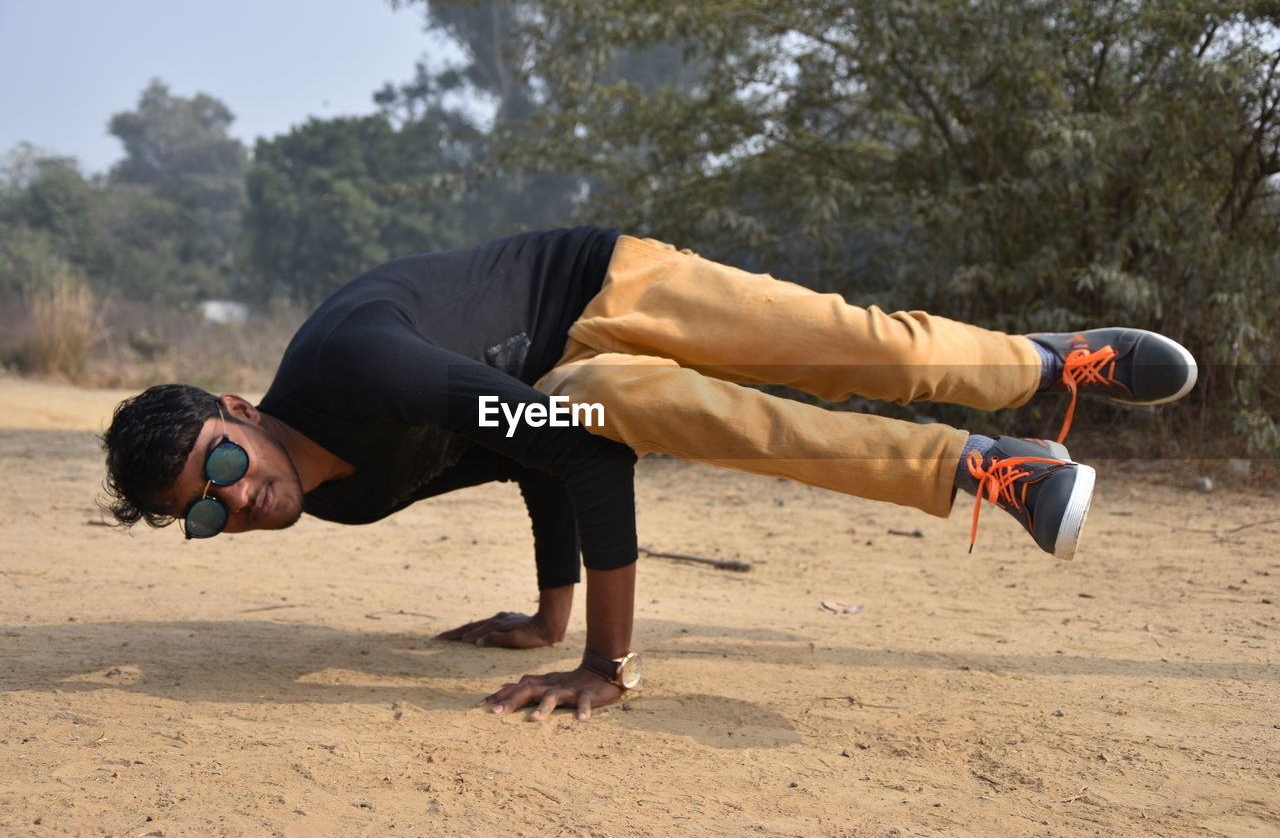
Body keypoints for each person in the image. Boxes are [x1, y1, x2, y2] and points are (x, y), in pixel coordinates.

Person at [100, 227, 1197, 721]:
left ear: (236, 410)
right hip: (564, 388)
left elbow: (551, 448)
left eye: (222, 465)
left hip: (602, 289)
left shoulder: (351, 368)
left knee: (860, 347)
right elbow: (512, 455)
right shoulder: (336, 496)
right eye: (204, 516)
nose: (237, 501)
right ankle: (986, 469)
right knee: (694, 416)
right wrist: (546, 614)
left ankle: (1047, 363)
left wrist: (604, 662)